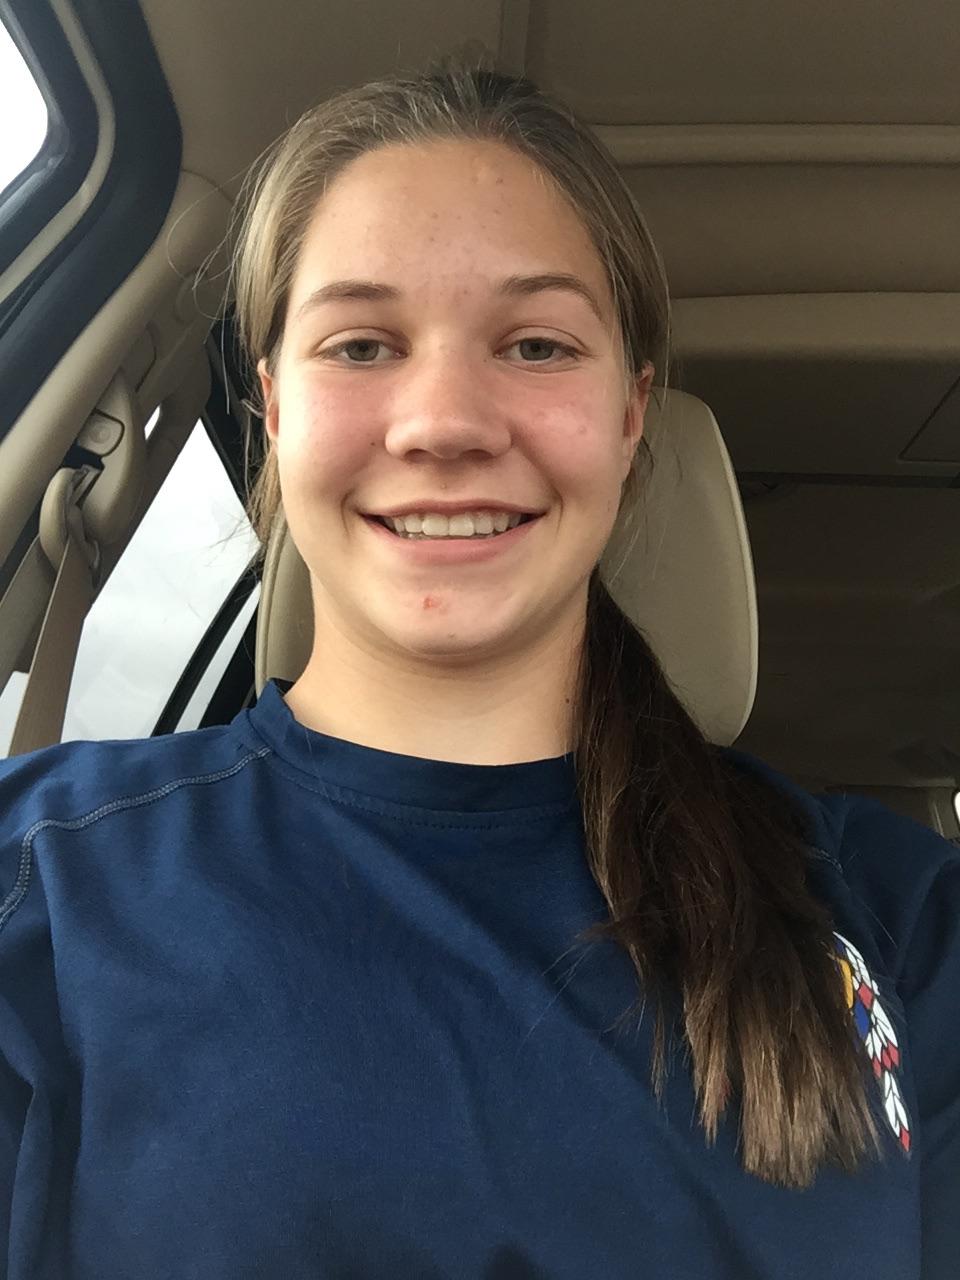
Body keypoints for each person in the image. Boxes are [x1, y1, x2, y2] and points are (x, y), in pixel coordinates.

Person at [1, 57, 957, 1280]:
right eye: (361, 344)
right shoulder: (45, 886)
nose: (445, 421)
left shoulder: (901, 920)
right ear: (275, 412)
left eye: (537, 344)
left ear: (630, 415)